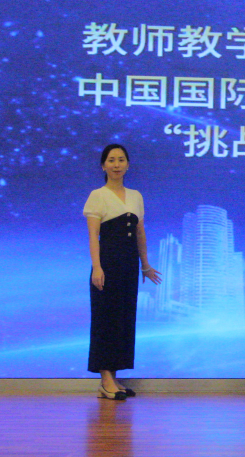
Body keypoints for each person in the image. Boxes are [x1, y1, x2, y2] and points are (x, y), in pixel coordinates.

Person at [83, 144, 162, 400]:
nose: (116, 164)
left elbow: (140, 233)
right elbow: (93, 236)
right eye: (111, 160)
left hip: (129, 266)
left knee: (123, 321)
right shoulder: (97, 195)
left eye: (121, 160)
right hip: (107, 265)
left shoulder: (136, 196)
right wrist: (97, 267)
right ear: (103, 166)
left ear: (128, 165)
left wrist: (145, 265)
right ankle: (105, 380)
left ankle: (113, 379)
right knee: (105, 320)